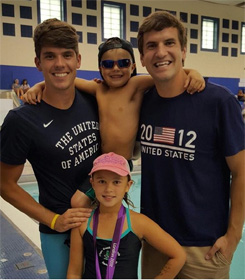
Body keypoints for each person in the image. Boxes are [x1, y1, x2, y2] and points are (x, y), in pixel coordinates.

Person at [23, 37, 205, 204]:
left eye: (123, 63)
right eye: (108, 64)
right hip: (102, 162)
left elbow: (167, 74)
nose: (116, 69)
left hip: (120, 162)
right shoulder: (98, 89)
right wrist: (38, 86)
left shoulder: (135, 85)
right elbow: (67, 80)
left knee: (80, 202)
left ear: (132, 67)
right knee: (102, 207)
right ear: (100, 68)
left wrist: (193, 73)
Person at [137, 11, 245, 279]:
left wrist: (233, 236)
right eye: (151, 46)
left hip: (203, 248)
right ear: (142, 57)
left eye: (169, 43)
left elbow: (242, 171)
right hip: (155, 243)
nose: (161, 52)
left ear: (183, 51)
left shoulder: (218, 102)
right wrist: (41, 87)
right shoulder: (142, 101)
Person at [0, 18, 101, 279]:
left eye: (67, 55)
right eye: (50, 56)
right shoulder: (21, 120)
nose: (59, 64)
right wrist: (53, 220)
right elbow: (5, 184)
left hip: (104, 221)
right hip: (60, 235)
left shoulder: (95, 99)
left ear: (78, 60)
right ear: (38, 63)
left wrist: (189, 73)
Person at [66, 152, 186, 279]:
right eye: (102, 181)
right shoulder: (82, 222)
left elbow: (178, 255)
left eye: (116, 182)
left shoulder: (138, 223)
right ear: (93, 184)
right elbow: (74, 272)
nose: (108, 189)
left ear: (128, 185)